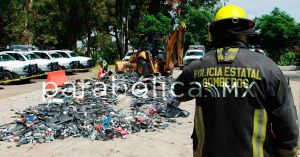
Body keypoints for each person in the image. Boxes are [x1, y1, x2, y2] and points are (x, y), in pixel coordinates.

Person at [173, 4, 299, 157]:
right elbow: (287, 124)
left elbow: (176, 93)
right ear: (246, 33)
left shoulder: (197, 68)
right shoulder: (268, 68)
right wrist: (289, 153)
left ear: (213, 32)